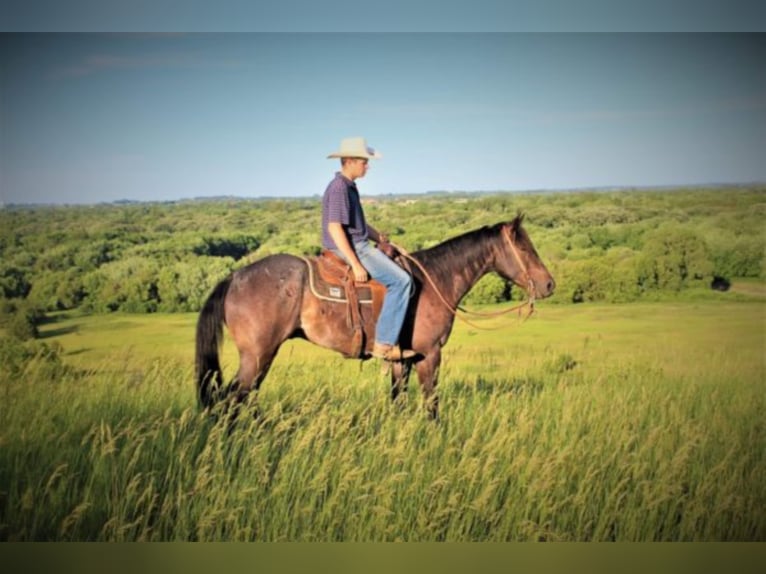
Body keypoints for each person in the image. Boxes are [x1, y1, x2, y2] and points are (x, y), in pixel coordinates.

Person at [321, 137, 415, 362]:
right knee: (401, 281)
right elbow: (335, 228)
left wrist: (381, 238)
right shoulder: (339, 188)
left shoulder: (349, 187)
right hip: (353, 248)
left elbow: (356, 225)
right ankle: (384, 344)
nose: (367, 166)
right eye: (364, 161)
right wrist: (354, 263)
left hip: (359, 242)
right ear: (350, 161)